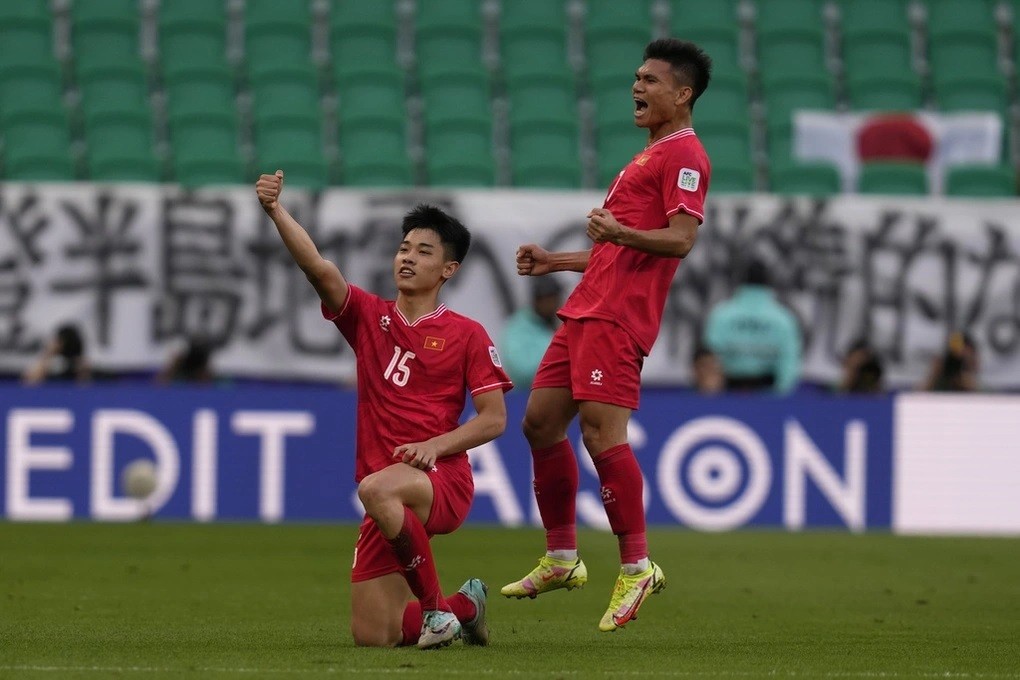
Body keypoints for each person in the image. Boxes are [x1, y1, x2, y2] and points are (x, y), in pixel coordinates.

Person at [501, 38, 712, 632]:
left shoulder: (684, 156)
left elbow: (681, 240)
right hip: (585, 309)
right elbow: (615, 250)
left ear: (683, 93)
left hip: (619, 318)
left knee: (601, 434)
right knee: (539, 422)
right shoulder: (648, 155)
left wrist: (616, 232)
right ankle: (564, 557)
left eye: (650, 80)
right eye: (636, 78)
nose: (637, 88)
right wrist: (556, 262)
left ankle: (636, 565)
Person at [256, 171, 512, 649]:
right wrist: (275, 211)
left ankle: (436, 611)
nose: (408, 258)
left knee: (374, 487)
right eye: (404, 248)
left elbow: (494, 418)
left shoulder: (467, 334)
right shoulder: (370, 319)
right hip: (386, 496)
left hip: (440, 482)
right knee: (376, 635)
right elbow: (319, 270)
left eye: (424, 251)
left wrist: (434, 447)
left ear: (448, 270)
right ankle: (464, 605)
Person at [702, 259, 802, 394]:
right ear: (768, 282)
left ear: (740, 282)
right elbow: (789, 363)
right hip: (768, 395)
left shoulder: (721, 314)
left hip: (727, 395)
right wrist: (779, 398)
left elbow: (709, 360)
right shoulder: (783, 318)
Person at [499, 276, 564, 389]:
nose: (553, 304)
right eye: (548, 299)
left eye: (555, 298)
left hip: (555, 394)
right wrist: (561, 358)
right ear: (537, 300)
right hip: (523, 399)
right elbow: (520, 372)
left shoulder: (561, 321)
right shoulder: (517, 327)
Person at [22, 323, 92, 385]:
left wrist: (81, 368)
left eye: (58, 341)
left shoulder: (81, 367)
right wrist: (48, 354)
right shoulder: (48, 365)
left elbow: (85, 388)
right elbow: (29, 382)